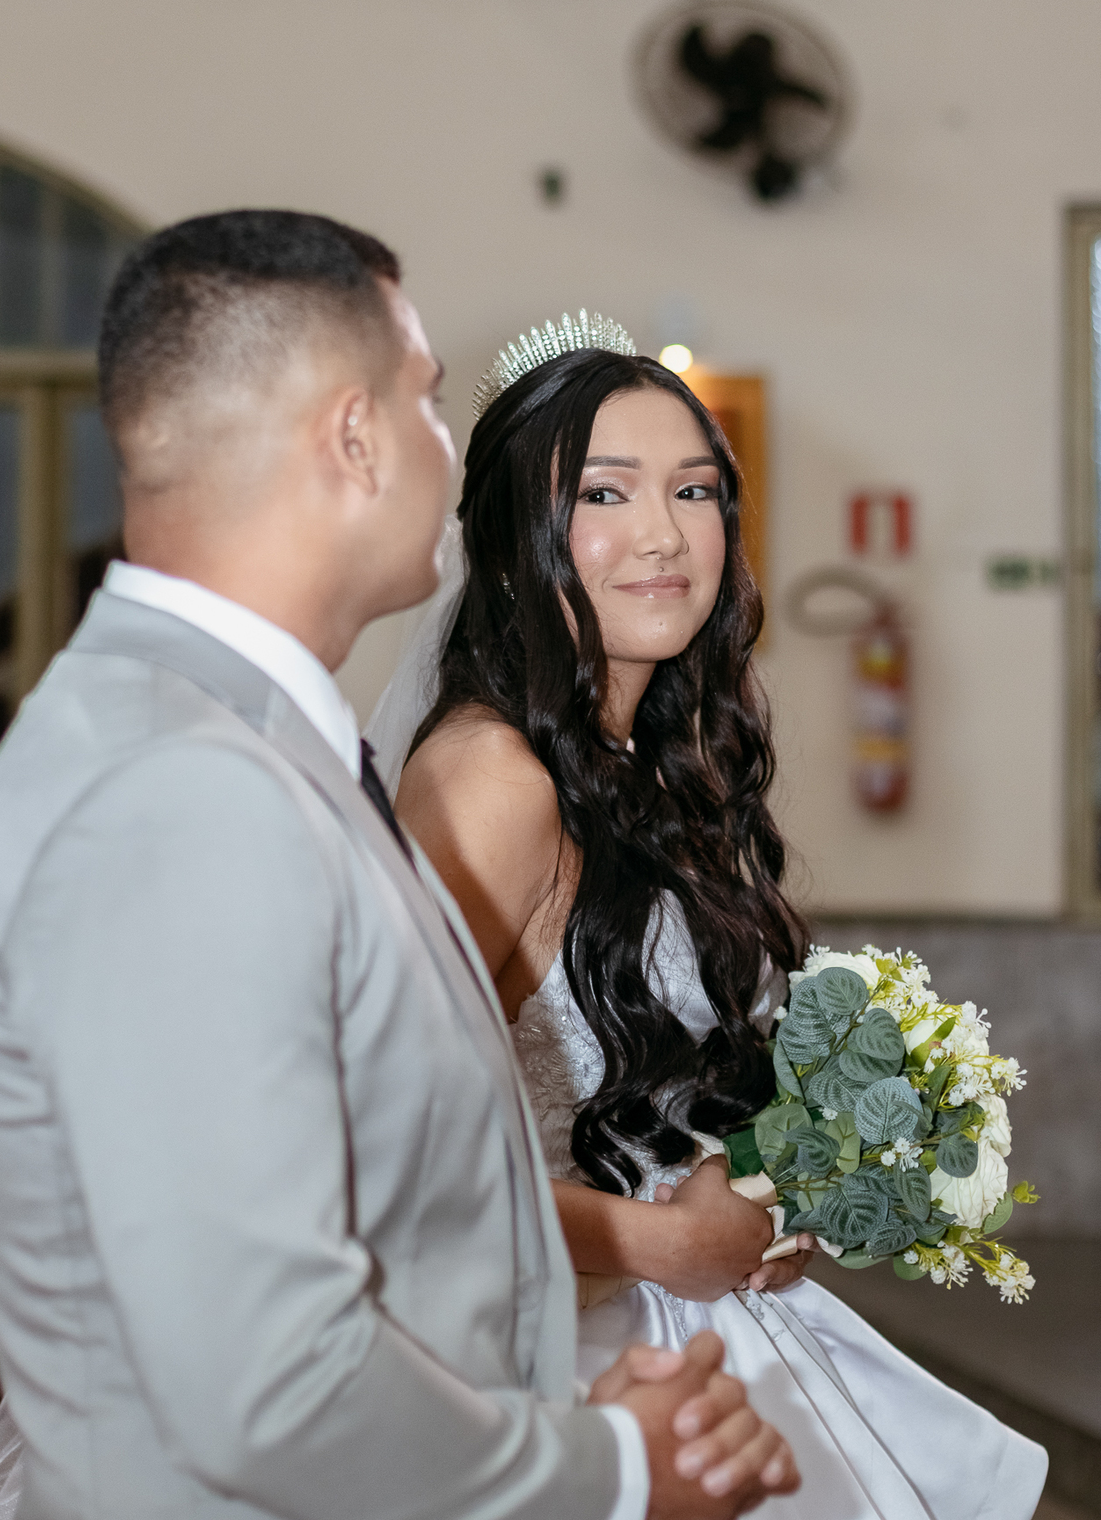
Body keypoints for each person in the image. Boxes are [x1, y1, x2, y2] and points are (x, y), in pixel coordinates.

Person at [0, 214, 799, 1520]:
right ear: (356, 436)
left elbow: (413, 1185)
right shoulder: (182, 795)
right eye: (429, 403)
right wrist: (617, 1470)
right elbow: (258, 1376)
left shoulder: (226, 740)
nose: (451, 455)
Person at [372, 319, 1049, 1520]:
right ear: (515, 541)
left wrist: (781, 1175)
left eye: (693, 490)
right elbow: (376, 1148)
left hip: (684, 1322)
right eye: (604, 493)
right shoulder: (494, 782)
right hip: (535, 1359)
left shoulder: (651, 765)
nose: (663, 534)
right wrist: (663, 1243)